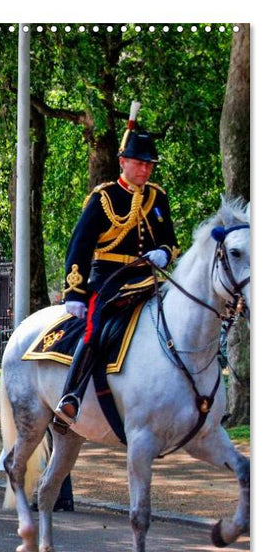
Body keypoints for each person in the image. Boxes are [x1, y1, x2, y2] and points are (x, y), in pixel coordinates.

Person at [53, 105, 179, 429]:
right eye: (139, 163)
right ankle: (72, 396)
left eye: (149, 164)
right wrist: (75, 293)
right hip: (109, 282)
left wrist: (164, 254)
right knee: (94, 331)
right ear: (123, 162)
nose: (145, 170)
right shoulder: (104, 198)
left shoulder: (157, 198)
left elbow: (170, 241)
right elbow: (79, 246)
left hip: (148, 280)